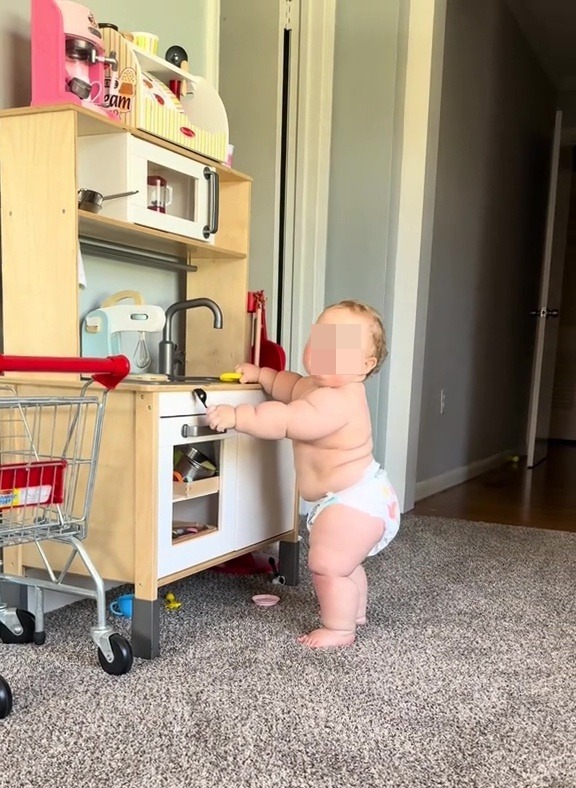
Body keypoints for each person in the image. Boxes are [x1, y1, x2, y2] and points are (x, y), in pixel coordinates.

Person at [206, 300, 400, 648]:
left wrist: (238, 416)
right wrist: (263, 375)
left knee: (327, 565)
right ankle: (353, 611)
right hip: (349, 496)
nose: (324, 351)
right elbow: (288, 385)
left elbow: (286, 419)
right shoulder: (314, 386)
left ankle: (340, 629)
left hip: (356, 499)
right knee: (344, 563)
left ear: (365, 365)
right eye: (320, 339)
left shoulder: (339, 399)